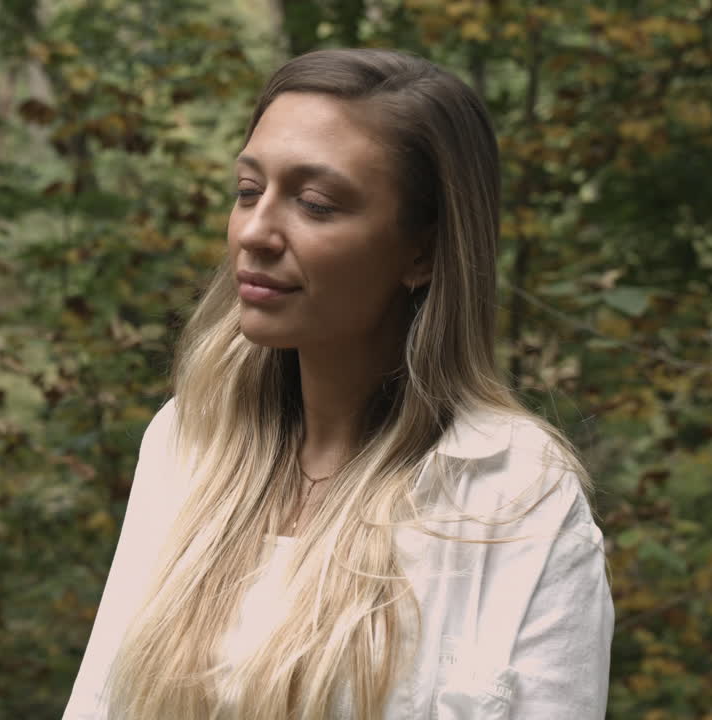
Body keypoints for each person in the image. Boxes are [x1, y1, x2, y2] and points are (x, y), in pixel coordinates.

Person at [62, 49, 614, 720]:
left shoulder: (515, 499)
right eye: (246, 191)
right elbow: (97, 702)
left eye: (316, 204)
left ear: (423, 251)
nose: (256, 232)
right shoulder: (188, 440)